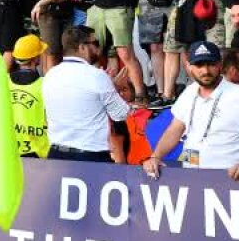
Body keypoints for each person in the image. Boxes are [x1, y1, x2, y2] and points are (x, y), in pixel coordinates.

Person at [144, 41, 239, 180]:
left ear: (219, 65)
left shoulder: (236, 94)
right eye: (199, 65)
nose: (205, 71)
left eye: (211, 64)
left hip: (228, 180)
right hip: (191, 177)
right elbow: (175, 129)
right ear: (188, 66)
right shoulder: (189, 92)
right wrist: (155, 156)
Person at [41, 26, 130, 162]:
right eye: (95, 43)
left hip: (56, 154)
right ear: (82, 47)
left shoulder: (50, 75)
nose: (98, 49)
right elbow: (121, 114)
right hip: (90, 157)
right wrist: (115, 88)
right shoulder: (97, 76)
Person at [9, 35, 50, 158]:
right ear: (36, 58)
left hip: (9, 152)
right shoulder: (45, 84)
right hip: (41, 154)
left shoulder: (3, 82)